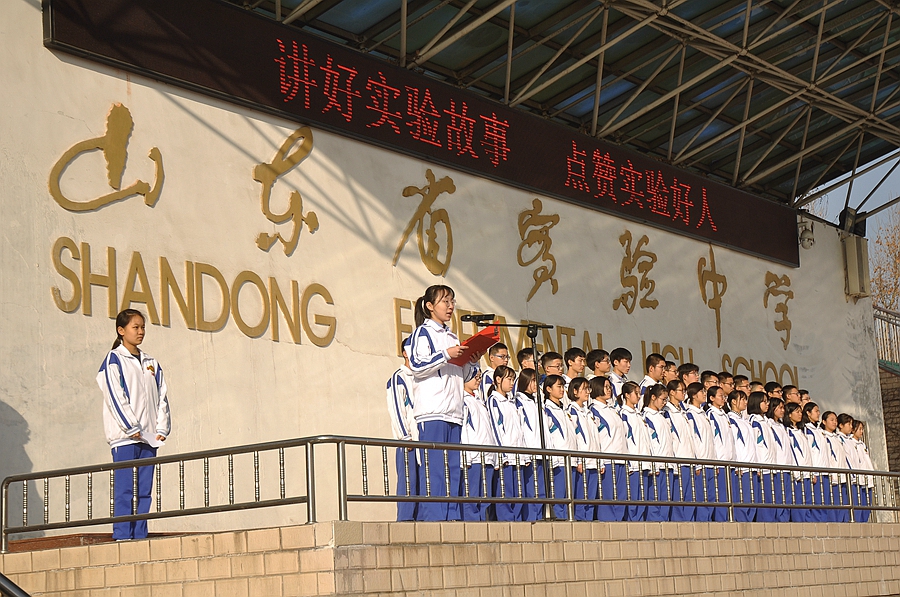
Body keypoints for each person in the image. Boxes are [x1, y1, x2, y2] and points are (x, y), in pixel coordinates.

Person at [97, 309, 171, 541]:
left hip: (148, 438)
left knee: (144, 491)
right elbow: (114, 396)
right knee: (125, 490)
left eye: (142, 327)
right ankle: (122, 535)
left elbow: (162, 396)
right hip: (125, 438)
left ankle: (139, 536)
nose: (140, 332)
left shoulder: (151, 362)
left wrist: (161, 428)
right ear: (121, 330)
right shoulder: (114, 360)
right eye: (135, 327)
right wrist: (131, 427)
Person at [409, 285, 479, 521]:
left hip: (454, 411)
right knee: (435, 468)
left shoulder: (452, 336)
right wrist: (447, 354)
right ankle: (433, 518)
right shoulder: (423, 333)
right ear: (430, 306)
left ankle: (451, 516)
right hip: (432, 411)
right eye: (445, 302)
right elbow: (417, 365)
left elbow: (463, 376)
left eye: (452, 302)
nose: (450, 307)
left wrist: (472, 361)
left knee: (453, 468)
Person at [487, 365, 524, 521]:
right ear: (498, 379)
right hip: (505, 454)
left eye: (513, 380)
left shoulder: (511, 402)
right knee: (505, 489)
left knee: (518, 490)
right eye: (509, 379)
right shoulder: (494, 400)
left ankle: (517, 518)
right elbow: (496, 428)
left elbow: (519, 429)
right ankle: (506, 519)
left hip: (518, 453)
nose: (511, 383)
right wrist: (502, 452)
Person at [386, 337, 417, 521]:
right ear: (405, 353)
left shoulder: (422, 377)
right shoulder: (398, 378)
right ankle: (405, 520)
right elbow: (396, 409)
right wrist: (405, 436)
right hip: (408, 441)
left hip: (423, 439)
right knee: (408, 483)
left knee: (423, 484)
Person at [460, 367, 497, 521]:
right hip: (473, 456)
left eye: (480, 377)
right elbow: (463, 429)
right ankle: (471, 522)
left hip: (487, 455)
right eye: (474, 376)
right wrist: (466, 456)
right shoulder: (463, 400)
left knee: (485, 495)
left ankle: (483, 521)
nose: (478, 380)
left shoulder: (480, 401)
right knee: (472, 493)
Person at [588, 376, 627, 521]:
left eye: (610, 387)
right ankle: (608, 521)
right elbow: (595, 436)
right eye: (605, 387)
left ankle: (619, 521)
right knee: (608, 493)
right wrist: (600, 459)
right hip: (607, 457)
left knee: (621, 494)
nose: (609, 389)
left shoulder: (613, 409)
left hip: (621, 456)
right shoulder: (594, 410)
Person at [542, 374, 577, 519]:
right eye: (559, 386)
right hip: (559, 459)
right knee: (559, 494)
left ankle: (569, 519)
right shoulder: (546, 410)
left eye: (563, 386)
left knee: (570, 495)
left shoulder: (565, 410)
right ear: (549, 389)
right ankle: (560, 520)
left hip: (571, 458)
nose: (562, 390)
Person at [664, 379, 697, 521]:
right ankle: (678, 521)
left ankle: (688, 521)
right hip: (678, 457)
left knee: (690, 494)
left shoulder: (683, 412)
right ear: (672, 392)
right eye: (681, 390)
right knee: (679, 493)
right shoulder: (667, 412)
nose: (684, 393)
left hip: (689, 456)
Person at [619, 381, 652, 521]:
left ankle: (640, 521)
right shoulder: (623, 414)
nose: (639, 396)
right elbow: (625, 439)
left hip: (644, 461)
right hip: (633, 462)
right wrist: (629, 462)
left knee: (642, 497)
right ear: (627, 395)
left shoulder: (639, 414)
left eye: (639, 393)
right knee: (633, 495)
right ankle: (632, 521)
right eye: (636, 393)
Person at [684, 382, 716, 521]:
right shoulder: (690, 414)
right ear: (693, 395)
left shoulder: (703, 414)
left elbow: (711, 440)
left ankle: (708, 521)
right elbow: (693, 439)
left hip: (710, 461)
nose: (704, 394)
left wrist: (714, 461)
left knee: (711, 496)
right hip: (701, 462)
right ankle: (702, 522)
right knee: (701, 495)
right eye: (701, 392)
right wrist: (697, 462)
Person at [567, 378, 598, 521]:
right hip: (582, 459)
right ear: (575, 391)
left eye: (588, 389)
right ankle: (580, 520)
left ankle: (589, 519)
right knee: (581, 494)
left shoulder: (589, 412)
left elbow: (595, 437)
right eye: (584, 389)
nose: (587, 392)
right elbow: (575, 437)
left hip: (593, 458)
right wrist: (578, 459)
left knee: (591, 495)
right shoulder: (571, 411)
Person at [642, 384, 674, 522]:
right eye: (663, 399)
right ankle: (654, 523)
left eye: (666, 400)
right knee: (655, 498)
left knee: (666, 499)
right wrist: (652, 464)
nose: (664, 403)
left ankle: (664, 522)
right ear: (653, 397)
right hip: (657, 464)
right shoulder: (647, 415)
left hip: (668, 462)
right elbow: (649, 441)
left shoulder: (662, 416)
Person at [515, 369, 543, 521]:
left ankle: (539, 516)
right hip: (530, 449)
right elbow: (522, 428)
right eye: (532, 380)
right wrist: (525, 452)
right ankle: (531, 518)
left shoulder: (537, 401)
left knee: (541, 489)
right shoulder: (519, 401)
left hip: (542, 450)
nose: (535, 384)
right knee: (531, 488)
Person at [727, 391, 757, 522]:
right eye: (742, 399)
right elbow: (734, 443)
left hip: (752, 463)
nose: (745, 402)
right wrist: (738, 463)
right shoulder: (731, 419)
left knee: (752, 499)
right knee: (743, 498)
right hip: (742, 465)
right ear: (734, 401)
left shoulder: (745, 420)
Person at [747, 392, 776, 522]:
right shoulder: (754, 421)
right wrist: (758, 464)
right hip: (762, 464)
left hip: (770, 463)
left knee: (771, 497)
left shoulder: (766, 421)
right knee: (763, 497)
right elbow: (755, 444)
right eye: (764, 401)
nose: (767, 404)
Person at [706, 386, 734, 521]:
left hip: (730, 460)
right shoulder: (711, 414)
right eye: (720, 396)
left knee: (730, 493)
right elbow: (714, 439)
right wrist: (716, 460)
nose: (723, 399)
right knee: (720, 493)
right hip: (720, 460)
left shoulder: (724, 414)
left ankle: (729, 518)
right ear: (712, 398)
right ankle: (720, 519)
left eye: (724, 396)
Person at [784, 402, 812, 522]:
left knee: (808, 501)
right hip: (798, 473)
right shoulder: (787, 431)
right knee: (798, 501)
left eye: (801, 411)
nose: (800, 414)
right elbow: (792, 452)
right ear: (789, 414)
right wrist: (796, 471)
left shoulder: (801, 431)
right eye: (797, 412)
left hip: (807, 472)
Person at [819, 411, 848, 522]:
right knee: (834, 504)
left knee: (843, 505)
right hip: (833, 476)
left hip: (842, 475)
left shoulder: (837, 438)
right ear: (824, 421)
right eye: (831, 420)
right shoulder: (824, 436)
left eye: (835, 420)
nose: (834, 422)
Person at [802, 402, 829, 522]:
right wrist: (812, 471)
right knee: (817, 500)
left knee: (825, 500)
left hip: (825, 469)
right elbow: (809, 451)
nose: (818, 413)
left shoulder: (819, 430)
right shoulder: (807, 429)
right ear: (808, 413)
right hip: (816, 470)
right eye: (816, 411)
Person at [766, 398, 792, 522]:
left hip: (787, 465)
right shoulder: (768, 424)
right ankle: (779, 519)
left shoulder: (782, 426)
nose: (782, 411)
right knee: (778, 495)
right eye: (779, 408)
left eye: (783, 408)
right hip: (778, 465)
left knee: (787, 496)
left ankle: (785, 519)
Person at [852, 420, 875, 522]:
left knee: (867, 505)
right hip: (859, 479)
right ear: (853, 430)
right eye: (859, 429)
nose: (861, 431)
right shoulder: (851, 443)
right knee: (859, 504)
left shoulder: (862, 444)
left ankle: (865, 522)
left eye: (862, 429)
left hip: (867, 478)